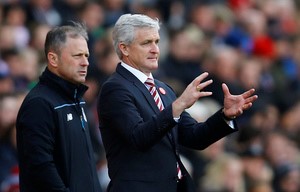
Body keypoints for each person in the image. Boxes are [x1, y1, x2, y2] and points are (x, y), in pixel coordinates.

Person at [97, 13, 258, 192]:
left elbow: (195, 137)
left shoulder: (162, 88)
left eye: (156, 42)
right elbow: (139, 137)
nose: (155, 49)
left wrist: (225, 115)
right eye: (146, 43)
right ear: (124, 48)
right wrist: (178, 106)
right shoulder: (115, 89)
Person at [16, 22, 102, 192]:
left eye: (86, 55)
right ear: (53, 59)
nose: (85, 62)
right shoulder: (39, 104)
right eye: (77, 55)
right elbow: (40, 166)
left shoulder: (78, 99)